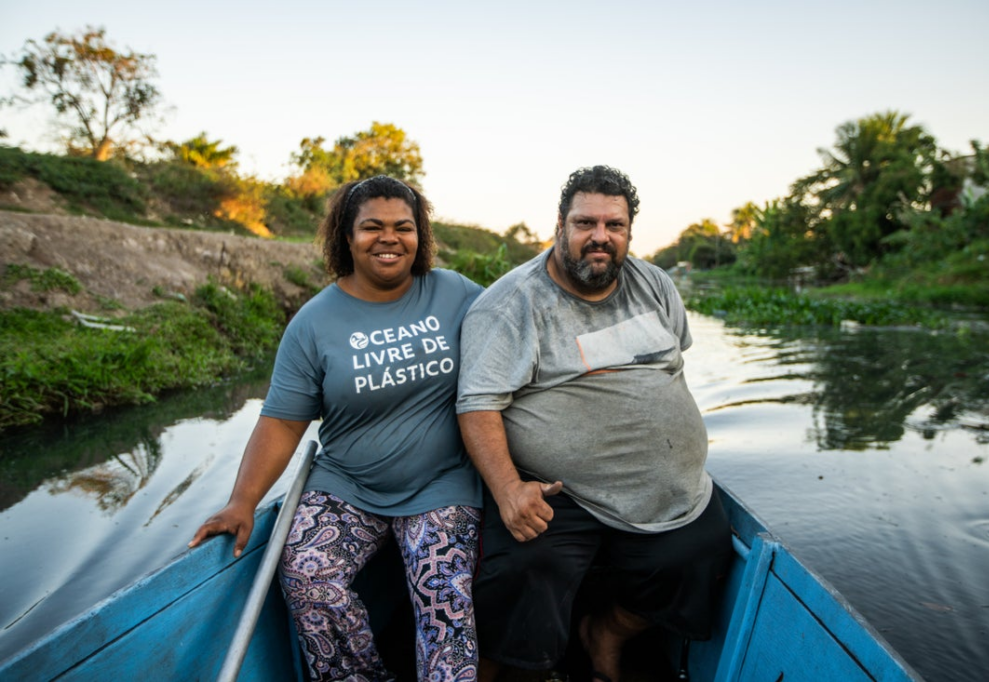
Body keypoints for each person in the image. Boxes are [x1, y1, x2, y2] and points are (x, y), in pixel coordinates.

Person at [190, 175, 484, 682]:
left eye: (403, 227)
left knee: (444, 597)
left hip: (443, 484)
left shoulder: (455, 293)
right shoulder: (313, 322)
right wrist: (242, 501)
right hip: (347, 486)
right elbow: (283, 421)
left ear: (421, 236)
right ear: (346, 237)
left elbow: (516, 331)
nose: (388, 238)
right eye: (371, 227)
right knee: (306, 575)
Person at [456, 165, 733, 682]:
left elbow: (674, 368)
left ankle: (606, 631)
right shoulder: (511, 304)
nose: (600, 237)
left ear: (629, 230)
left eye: (615, 225)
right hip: (561, 492)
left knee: (704, 553)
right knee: (524, 571)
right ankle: (522, 670)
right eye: (586, 223)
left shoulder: (655, 285)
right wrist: (510, 489)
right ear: (560, 226)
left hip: (668, 495)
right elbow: (477, 405)